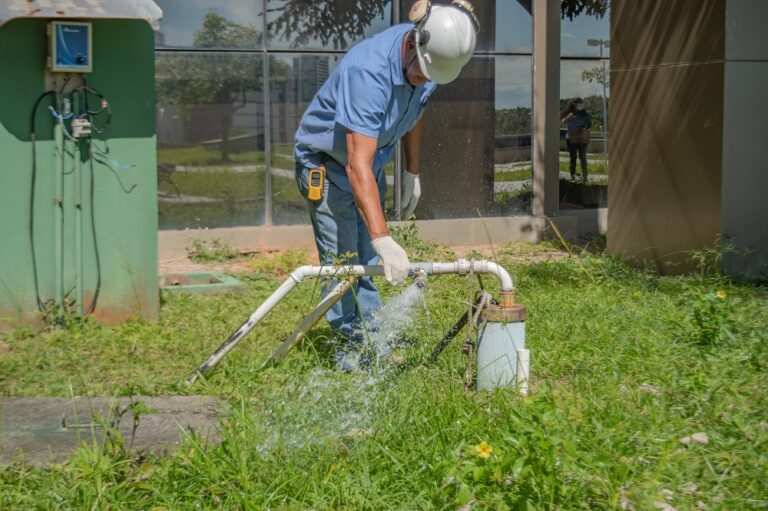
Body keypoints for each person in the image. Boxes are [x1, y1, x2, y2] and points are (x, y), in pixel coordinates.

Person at [293, 0, 478, 362]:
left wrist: (412, 171)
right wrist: (383, 237)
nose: (425, 80)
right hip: (329, 164)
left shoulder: (431, 58)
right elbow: (354, 164)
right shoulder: (368, 72)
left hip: (369, 164)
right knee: (346, 262)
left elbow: (416, 109)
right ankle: (351, 358)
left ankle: (372, 340)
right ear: (412, 44)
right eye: (422, 73)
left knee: (366, 258)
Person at [561, 97, 592, 183]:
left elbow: (589, 126)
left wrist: (585, 130)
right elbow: (562, 121)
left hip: (582, 137)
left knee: (583, 157)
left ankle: (585, 177)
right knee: (573, 157)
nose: (581, 105)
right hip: (570, 138)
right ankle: (572, 176)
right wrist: (568, 117)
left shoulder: (586, 115)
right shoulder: (569, 114)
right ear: (574, 105)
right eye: (579, 103)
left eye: (582, 103)